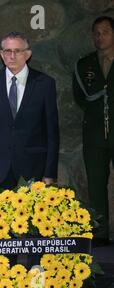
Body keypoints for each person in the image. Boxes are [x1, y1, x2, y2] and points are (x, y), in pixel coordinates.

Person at [0, 32, 59, 194]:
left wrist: (49, 174)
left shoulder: (44, 84)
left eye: (17, 51)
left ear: (28, 54)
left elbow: (52, 133)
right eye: (7, 51)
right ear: (2, 55)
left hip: (34, 169)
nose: (12, 56)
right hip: (0, 170)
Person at [73, 16, 114, 247]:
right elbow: (80, 97)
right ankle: (100, 233)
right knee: (96, 183)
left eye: (105, 32)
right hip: (95, 134)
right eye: (96, 33)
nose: (100, 37)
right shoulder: (85, 64)